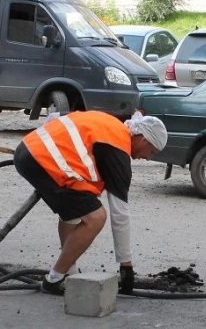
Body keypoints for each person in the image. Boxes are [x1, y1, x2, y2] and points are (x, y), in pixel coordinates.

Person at [13, 110, 167, 295]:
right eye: (151, 152)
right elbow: (120, 215)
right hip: (43, 160)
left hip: (29, 149)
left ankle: (67, 272)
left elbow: (57, 116)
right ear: (142, 139)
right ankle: (54, 279)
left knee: (76, 211)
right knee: (95, 217)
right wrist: (126, 266)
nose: (148, 158)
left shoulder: (112, 125)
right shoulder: (118, 149)